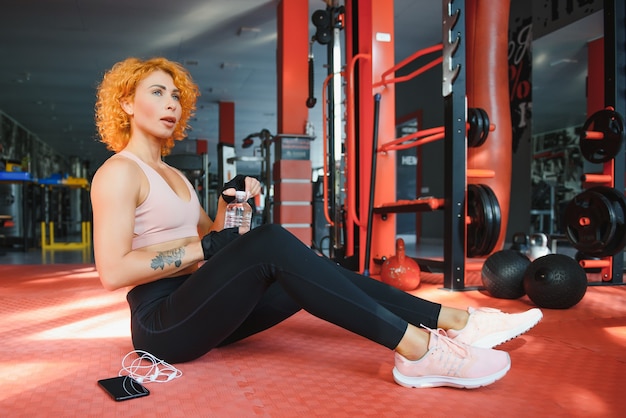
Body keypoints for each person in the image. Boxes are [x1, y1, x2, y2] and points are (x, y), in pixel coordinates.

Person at [90, 57, 543, 390]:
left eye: (175, 95)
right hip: (163, 324)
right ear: (126, 103)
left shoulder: (175, 176)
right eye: (156, 92)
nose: (170, 103)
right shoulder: (118, 172)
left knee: (305, 269)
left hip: (203, 304)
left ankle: (453, 320)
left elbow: (215, 244)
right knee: (273, 244)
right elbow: (114, 271)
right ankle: (420, 351)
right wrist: (209, 249)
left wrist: (232, 205)